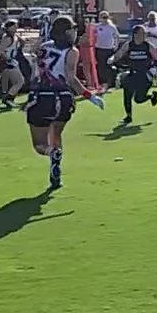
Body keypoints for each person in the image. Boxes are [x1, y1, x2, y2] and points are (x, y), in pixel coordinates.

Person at [26, 16, 95, 191]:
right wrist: (88, 95)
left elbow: (35, 71)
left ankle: (52, 153)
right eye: (73, 29)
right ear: (66, 32)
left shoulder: (44, 47)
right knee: (56, 134)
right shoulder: (72, 51)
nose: (76, 32)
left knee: (40, 145)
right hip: (63, 97)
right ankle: (56, 169)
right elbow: (70, 78)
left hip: (41, 96)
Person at [110, 23, 157, 124]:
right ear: (135, 34)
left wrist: (153, 70)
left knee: (139, 99)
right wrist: (112, 59)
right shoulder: (129, 45)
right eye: (141, 33)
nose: (144, 35)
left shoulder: (148, 46)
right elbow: (119, 54)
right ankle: (128, 116)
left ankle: (151, 96)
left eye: (144, 33)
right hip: (132, 73)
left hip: (144, 75)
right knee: (127, 94)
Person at [0, 19, 29, 107]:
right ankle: (7, 99)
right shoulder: (7, 38)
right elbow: (0, 50)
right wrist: (7, 59)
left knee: (13, 82)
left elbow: (22, 42)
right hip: (8, 63)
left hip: (11, 62)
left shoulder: (14, 36)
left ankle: (9, 100)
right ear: (8, 28)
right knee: (20, 81)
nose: (16, 28)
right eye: (14, 26)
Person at [92, 12, 120, 88]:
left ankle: (110, 82)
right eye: (103, 17)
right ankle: (103, 82)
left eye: (106, 17)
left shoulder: (112, 27)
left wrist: (116, 46)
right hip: (99, 48)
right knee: (101, 66)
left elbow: (117, 36)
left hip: (109, 49)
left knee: (109, 66)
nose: (105, 19)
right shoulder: (97, 27)